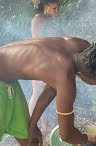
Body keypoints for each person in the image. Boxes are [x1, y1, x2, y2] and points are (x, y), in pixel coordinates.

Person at [30, 0, 62, 134]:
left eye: (58, 9)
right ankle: (31, 126)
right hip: (40, 61)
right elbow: (38, 41)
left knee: (46, 93)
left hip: (49, 60)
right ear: (46, 6)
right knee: (37, 94)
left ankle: (43, 125)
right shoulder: (39, 18)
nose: (57, 11)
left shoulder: (49, 21)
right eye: (54, 8)